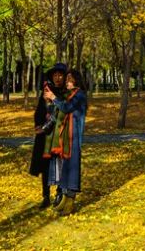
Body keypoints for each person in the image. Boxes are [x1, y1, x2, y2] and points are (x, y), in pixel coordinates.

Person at [44, 68, 88, 215]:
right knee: (66, 167)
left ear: (76, 81)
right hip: (66, 137)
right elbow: (60, 109)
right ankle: (65, 198)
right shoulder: (70, 94)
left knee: (72, 167)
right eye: (67, 80)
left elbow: (66, 107)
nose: (67, 82)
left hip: (74, 137)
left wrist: (54, 98)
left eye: (70, 80)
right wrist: (51, 100)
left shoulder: (79, 95)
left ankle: (70, 201)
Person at [29, 63, 66, 209]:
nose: (57, 78)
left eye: (60, 75)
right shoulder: (46, 91)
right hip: (44, 137)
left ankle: (59, 194)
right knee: (44, 166)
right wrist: (39, 125)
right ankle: (45, 196)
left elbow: (62, 113)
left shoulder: (64, 93)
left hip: (58, 136)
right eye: (55, 75)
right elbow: (39, 111)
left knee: (59, 165)